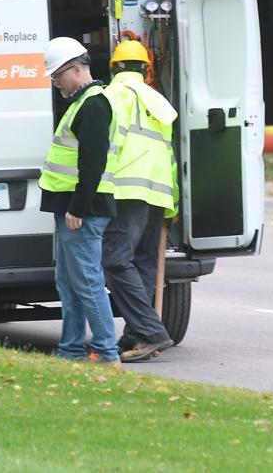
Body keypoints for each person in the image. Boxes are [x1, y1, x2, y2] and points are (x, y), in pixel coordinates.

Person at [38, 37, 121, 368]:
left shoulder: (94, 105)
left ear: (75, 69)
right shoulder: (81, 103)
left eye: (57, 75)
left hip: (82, 210)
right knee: (69, 282)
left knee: (86, 282)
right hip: (70, 208)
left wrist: (77, 208)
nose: (55, 82)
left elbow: (92, 164)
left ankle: (106, 352)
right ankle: (71, 349)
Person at [101, 40, 178, 362]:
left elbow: (106, 146)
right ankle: (136, 336)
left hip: (127, 190)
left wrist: (96, 191)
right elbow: (168, 156)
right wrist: (172, 205)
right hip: (157, 193)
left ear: (113, 68)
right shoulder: (158, 102)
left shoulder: (111, 97)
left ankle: (150, 331)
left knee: (116, 260)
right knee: (144, 263)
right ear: (146, 70)